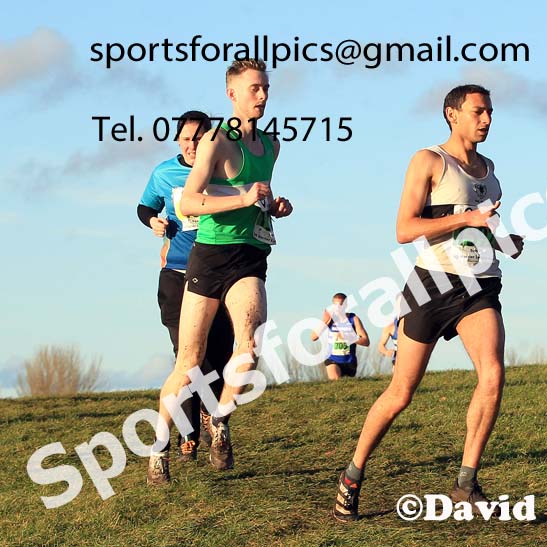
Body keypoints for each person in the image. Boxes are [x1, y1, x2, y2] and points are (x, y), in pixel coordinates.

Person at [333, 85, 525, 521]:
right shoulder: (429, 161)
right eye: (478, 112)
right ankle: (353, 473)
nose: (487, 120)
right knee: (401, 393)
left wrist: (504, 239)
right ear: (452, 114)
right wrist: (466, 219)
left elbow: (481, 228)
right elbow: (404, 228)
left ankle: (466, 482)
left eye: (490, 112)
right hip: (431, 285)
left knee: (492, 375)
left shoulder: (490, 170)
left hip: (480, 285)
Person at [147, 59, 293, 485]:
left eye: (265, 88)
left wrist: (275, 206)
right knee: (189, 361)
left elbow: (259, 197)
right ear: (232, 94)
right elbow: (188, 203)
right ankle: (159, 448)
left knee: (249, 347)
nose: (262, 96)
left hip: (249, 256)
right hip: (209, 257)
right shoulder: (215, 141)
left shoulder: (271, 145)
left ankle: (221, 421)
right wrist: (244, 197)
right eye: (254, 89)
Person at [138, 112, 233, 462]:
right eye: (186, 139)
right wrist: (153, 220)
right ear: (178, 140)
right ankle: (188, 434)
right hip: (178, 274)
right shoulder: (164, 173)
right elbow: (144, 205)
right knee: (187, 357)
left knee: (220, 356)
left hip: (220, 274)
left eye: (199, 138)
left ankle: (213, 419)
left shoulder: (226, 169)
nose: (192, 145)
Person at [311, 293, 370, 380]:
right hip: (332, 359)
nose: (338, 308)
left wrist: (349, 338)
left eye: (341, 305)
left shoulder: (353, 319)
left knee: (347, 387)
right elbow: (313, 337)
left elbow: (366, 342)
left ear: (346, 305)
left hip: (350, 361)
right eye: (335, 305)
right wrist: (324, 321)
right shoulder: (330, 319)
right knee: (336, 381)